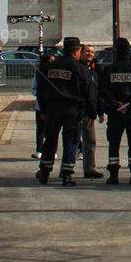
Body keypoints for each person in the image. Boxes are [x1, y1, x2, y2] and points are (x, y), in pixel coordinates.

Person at [35, 37, 95, 186]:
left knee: (49, 141)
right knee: (70, 142)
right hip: (72, 111)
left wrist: (42, 108)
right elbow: (89, 92)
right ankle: (67, 174)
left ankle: (44, 172)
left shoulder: (50, 67)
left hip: (52, 110)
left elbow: (41, 90)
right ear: (76, 51)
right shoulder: (80, 69)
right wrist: (91, 113)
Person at [99, 37, 131, 185]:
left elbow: (103, 89)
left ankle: (113, 175)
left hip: (115, 113)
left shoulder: (110, 69)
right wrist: (130, 103)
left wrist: (116, 104)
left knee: (113, 143)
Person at [79, 43, 104, 179]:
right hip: (79, 112)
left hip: (90, 113)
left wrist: (99, 112)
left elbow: (96, 93)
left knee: (90, 141)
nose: (90, 54)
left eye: (92, 52)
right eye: (87, 51)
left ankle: (90, 168)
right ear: (80, 53)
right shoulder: (79, 70)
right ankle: (66, 169)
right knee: (73, 142)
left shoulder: (94, 71)